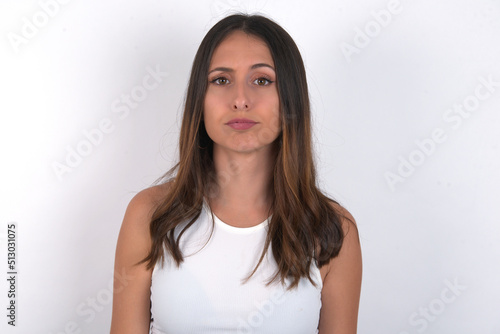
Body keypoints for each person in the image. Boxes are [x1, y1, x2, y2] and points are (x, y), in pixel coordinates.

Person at [110, 13, 362, 334]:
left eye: (262, 80)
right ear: (199, 101)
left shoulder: (332, 230)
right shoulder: (149, 215)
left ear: (291, 99)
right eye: (221, 80)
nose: (241, 100)